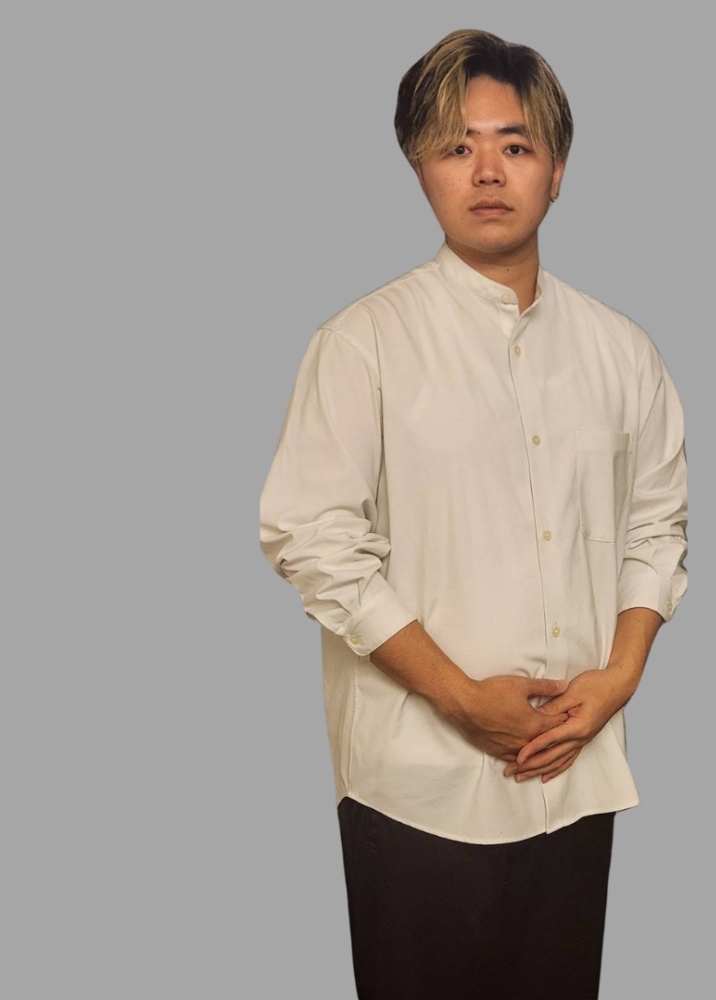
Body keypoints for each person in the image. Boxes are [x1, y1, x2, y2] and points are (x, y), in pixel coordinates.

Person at [260, 28, 687, 1000]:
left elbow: (656, 526)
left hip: (575, 777)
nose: (487, 171)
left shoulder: (623, 351)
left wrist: (619, 678)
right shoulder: (362, 344)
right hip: (416, 786)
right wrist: (458, 697)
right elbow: (313, 539)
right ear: (419, 167)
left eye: (515, 144)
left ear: (558, 169)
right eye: (457, 146)